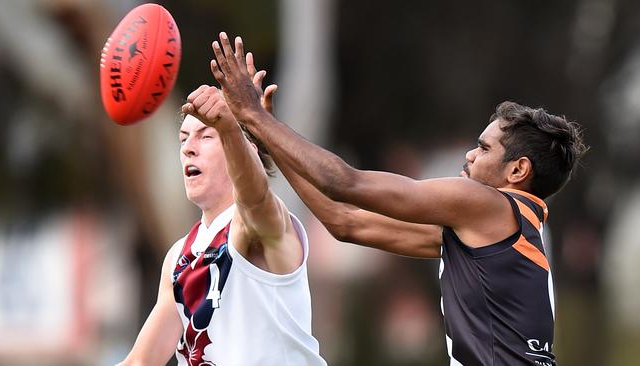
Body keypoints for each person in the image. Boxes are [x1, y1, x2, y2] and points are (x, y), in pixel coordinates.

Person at [208, 32, 588, 365]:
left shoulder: (484, 203)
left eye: (483, 148)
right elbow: (345, 223)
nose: (470, 155)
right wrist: (270, 140)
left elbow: (344, 183)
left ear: (518, 171)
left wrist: (256, 117)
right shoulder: (494, 234)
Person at [118, 79, 327, 364]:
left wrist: (231, 125)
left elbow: (254, 195)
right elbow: (140, 362)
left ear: (248, 150)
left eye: (206, 136)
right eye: (183, 138)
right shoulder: (179, 256)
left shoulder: (263, 223)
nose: (188, 148)